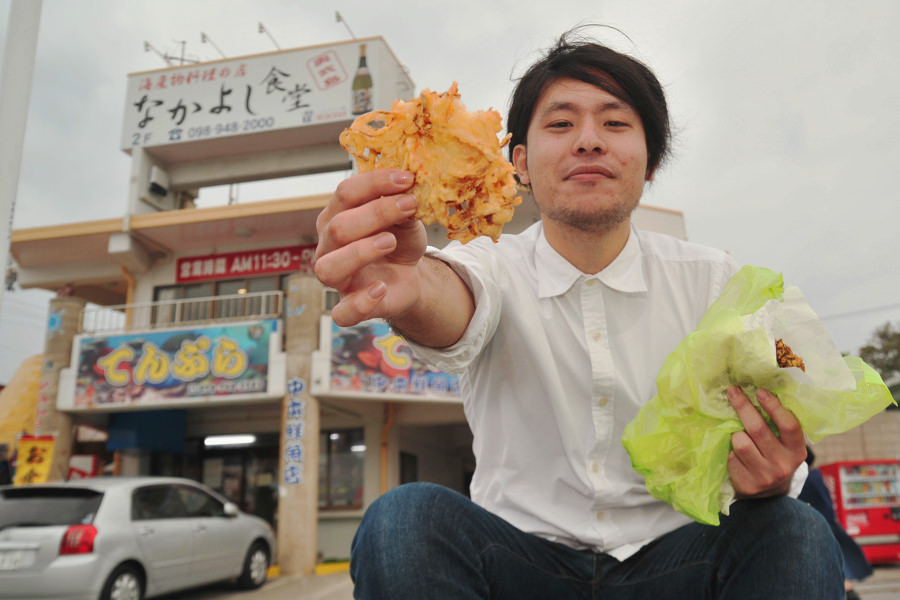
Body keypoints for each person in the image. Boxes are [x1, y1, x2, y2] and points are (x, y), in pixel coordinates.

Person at [314, 27, 842, 599]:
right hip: (518, 564)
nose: (589, 141)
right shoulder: (490, 264)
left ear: (651, 161)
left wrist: (771, 472)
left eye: (615, 123)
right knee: (404, 519)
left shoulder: (715, 281)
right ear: (518, 162)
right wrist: (410, 288)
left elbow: (774, 401)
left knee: (796, 528)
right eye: (560, 124)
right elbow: (454, 300)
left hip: (681, 561)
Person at [799, 447, 873, 600]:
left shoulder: (808, 477)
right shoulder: (815, 475)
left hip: (820, 527)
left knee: (835, 567)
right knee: (837, 565)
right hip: (827, 524)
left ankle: (849, 593)